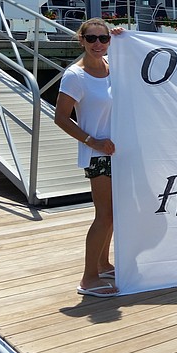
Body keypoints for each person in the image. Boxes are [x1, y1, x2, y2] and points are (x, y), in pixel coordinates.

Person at [55, 18, 124, 298]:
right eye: (92, 38)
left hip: (118, 152)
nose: (98, 44)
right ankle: (88, 278)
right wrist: (92, 141)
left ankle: (103, 263)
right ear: (81, 39)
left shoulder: (111, 67)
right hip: (98, 154)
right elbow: (60, 118)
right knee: (104, 215)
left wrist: (122, 36)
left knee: (114, 215)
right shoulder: (75, 76)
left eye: (104, 39)